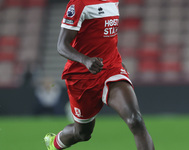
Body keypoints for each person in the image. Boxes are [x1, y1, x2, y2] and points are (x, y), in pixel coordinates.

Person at [44, 0, 155, 150]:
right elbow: (61, 45)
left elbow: (106, 37)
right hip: (82, 76)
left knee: (135, 120)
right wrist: (86, 60)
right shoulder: (79, 4)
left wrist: (115, 60)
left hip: (111, 69)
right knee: (82, 133)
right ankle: (54, 143)